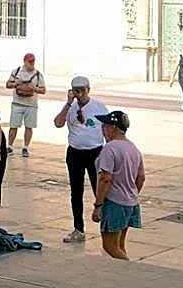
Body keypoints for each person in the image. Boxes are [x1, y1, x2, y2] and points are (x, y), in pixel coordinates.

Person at [53, 75, 108, 244]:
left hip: (95, 152)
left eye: (83, 91)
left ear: (88, 90)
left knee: (98, 189)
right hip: (75, 152)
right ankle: (78, 228)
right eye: (77, 91)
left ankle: (107, 227)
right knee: (76, 192)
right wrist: (68, 103)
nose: (80, 94)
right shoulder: (70, 107)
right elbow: (58, 123)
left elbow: (108, 129)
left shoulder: (99, 107)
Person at [92, 111, 145, 260]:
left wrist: (98, 204)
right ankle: (123, 276)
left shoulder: (110, 148)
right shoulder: (133, 148)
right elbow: (141, 178)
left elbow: (105, 178)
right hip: (130, 203)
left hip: (114, 203)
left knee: (109, 246)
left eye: (104, 125)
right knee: (119, 245)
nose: (102, 129)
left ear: (112, 128)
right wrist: (131, 194)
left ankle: (131, 272)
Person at [5, 53, 45, 157]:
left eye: (33, 61)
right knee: (13, 126)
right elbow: (8, 84)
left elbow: (43, 90)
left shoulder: (38, 75)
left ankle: (25, 147)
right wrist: (16, 84)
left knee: (29, 126)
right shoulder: (17, 71)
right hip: (17, 103)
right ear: (25, 62)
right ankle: (9, 146)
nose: (31, 63)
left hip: (31, 104)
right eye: (29, 61)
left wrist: (34, 88)